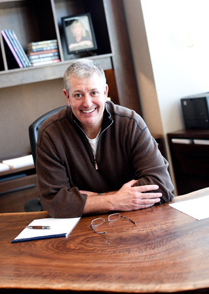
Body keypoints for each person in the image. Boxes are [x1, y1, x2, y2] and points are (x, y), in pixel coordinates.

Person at [36, 59, 174, 218]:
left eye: (94, 92)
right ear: (67, 97)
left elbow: (162, 186)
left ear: (105, 92)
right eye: (78, 95)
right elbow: (55, 203)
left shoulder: (130, 123)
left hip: (136, 221)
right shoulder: (50, 133)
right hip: (83, 228)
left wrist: (87, 200)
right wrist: (115, 200)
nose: (87, 103)